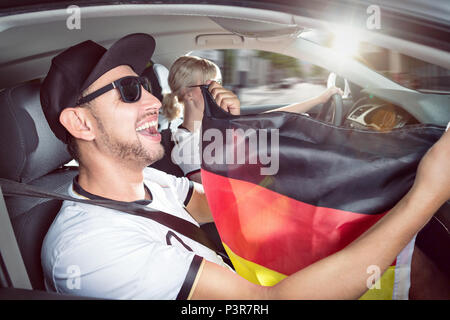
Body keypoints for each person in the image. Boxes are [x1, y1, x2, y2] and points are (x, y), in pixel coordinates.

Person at [40, 33, 450, 300]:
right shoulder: (89, 247)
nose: (151, 101)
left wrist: (235, 137)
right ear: (80, 123)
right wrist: (426, 196)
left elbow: (236, 200)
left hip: (245, 280)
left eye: (145, 85)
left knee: (410, 265)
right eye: (129, 92)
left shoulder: (149, 181)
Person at [162, 55, 342, 183]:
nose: (219, 90)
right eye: (210, 85)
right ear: (189, 94)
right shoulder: (187, 142)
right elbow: (219, 192)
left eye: (219, 84)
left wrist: (319, 99)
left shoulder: (210, 125)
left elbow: (271, 118)